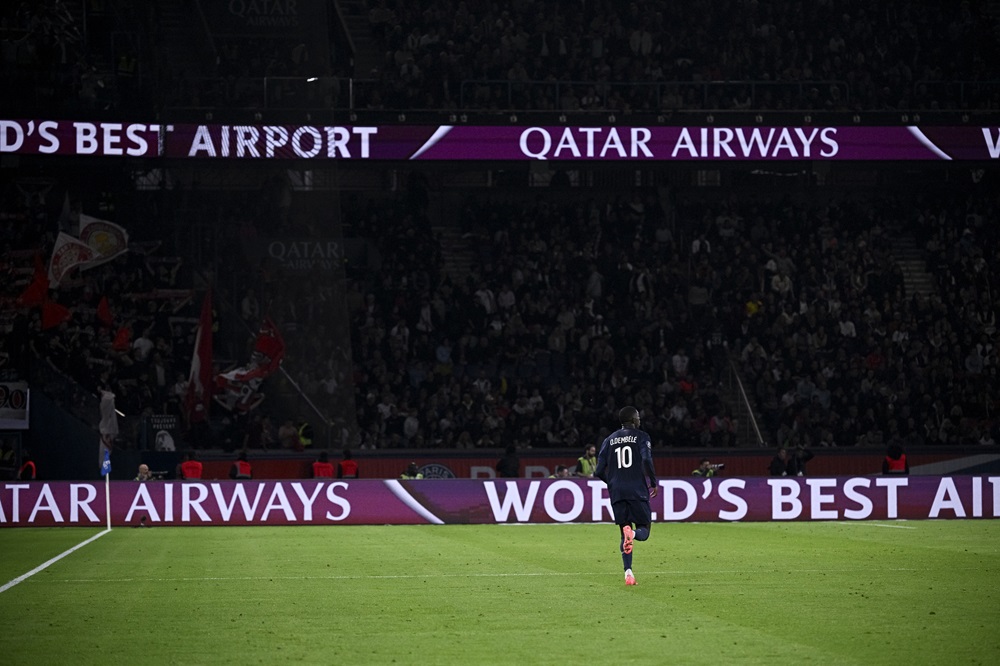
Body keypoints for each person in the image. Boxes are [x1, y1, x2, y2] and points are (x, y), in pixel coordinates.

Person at [595, 406, 658, 587]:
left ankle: (628, 573)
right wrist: (653, 482)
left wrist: (612, 483)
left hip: (618, 492)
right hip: (637, 490)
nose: (640, 419)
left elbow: (598, 471)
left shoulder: (609, 440)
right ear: (632, 419)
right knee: (643, 532)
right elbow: (646, 459)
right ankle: (634, 534)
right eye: (638, 416)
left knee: (624, 531)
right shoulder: (642, 436)